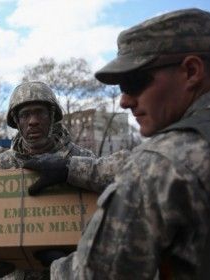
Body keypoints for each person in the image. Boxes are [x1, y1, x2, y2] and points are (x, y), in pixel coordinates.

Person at [23, 9, 210, 279]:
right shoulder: (170, 160)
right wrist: (69, 168)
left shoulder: (163, 162)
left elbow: (96, 273)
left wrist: (59, 266)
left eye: (134, 81)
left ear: (191, 71)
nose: (124, 101)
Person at [0, 81, 95, 280]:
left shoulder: (82, 160)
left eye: (40, 112)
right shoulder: (3, 163)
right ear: (17, 121)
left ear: (52, 116)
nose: (33, 121)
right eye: (25, 115)